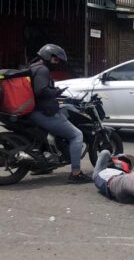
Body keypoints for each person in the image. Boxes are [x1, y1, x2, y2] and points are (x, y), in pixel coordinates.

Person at [28, 44, 89, 183]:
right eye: (56, 60)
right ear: (48, 56)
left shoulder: (34, 67)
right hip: (42, 112)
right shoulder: (43, 70)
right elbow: (41, 91)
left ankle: (44, 166)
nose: (57, 63)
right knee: (76, 135)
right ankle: (76, 174)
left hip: (34, 110)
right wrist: (55, 91)